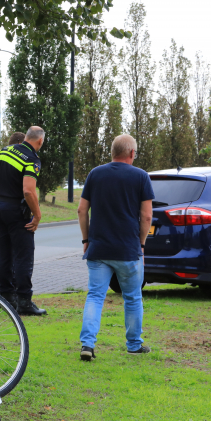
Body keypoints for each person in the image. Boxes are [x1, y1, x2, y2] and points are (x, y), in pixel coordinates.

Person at [77, 134, 154, 361]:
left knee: (95, 296)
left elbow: (82, 210)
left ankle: (88, 345)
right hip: (128, 250)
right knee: (132, 297)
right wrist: (141, 244)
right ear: (131, 153)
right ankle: (134, 345)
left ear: (112, 152)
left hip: (99, 249)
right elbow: (147, 216)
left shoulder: (95, 174)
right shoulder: (141, 177)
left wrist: (86, 241)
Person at [0, 126, 47, 316]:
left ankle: (4, 296)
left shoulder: (5, 151)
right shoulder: (32, 159)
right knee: (23, 255)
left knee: (3, 253)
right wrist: (37, 214)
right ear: (40, 141)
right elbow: (28, 190)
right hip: (17, 211)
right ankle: (24, 301)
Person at [0, 131, 26, 293]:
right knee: (14, 252)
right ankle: (12, 289)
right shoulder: (18, 157)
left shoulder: (3, 155)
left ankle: (1, 287)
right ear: (20, 143)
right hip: (14, 208)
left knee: (2, 251)